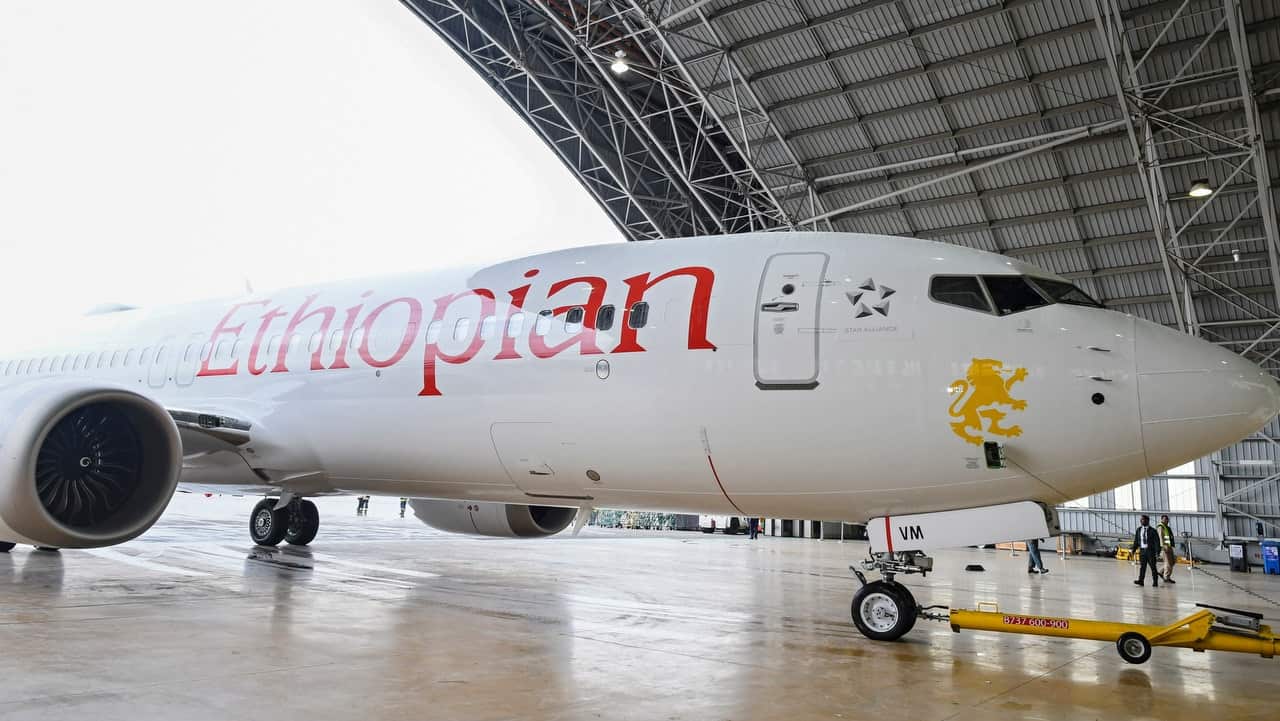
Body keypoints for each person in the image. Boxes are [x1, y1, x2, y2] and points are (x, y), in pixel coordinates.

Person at [1133, 515, 1160, 587]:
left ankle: (1155, 582)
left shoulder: (1153, 531)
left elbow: (1157, 542)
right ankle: (1141, 581)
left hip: (1150, 551)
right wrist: (1133, 549)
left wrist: (1157, 552)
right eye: (1141, 520)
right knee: (1142, 567)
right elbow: (1136, 541)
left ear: (1147, 521)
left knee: (1153, 567)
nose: (1141, 521)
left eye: (1143, 520)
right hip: (1142, 551)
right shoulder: (1139, 530)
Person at [1157, 514, 1177, 584]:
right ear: (1162, 519)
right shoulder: (1161, 527)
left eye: (1167, 519)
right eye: (1165, 519)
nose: (1167, 521)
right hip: (1165, 547)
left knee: (1172, 561)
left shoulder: (1167, 527)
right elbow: (1160, 537)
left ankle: (1161, 572)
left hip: (1169, 546)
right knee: (1168, 563)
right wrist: (1163, 546)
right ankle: (1166, 577)